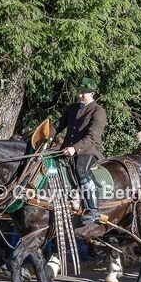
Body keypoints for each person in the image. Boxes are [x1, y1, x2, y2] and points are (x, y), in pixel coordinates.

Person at [53, 77, 107, 223]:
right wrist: (43, 133)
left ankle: (93, 210)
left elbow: (92, 137)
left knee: (80, 169)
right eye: (79, 92)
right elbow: (58, 125)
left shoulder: (98, 111)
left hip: (88, 150)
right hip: (67, 149)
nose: (80, 95)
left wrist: (74, 148)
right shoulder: (72, 108)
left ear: (92, 93)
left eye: (84, 92)